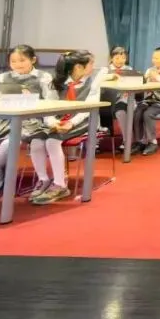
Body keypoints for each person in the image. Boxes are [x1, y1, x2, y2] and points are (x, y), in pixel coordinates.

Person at [0, 45, 54, 191]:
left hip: (29, 121)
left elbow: (52, 102)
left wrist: (33, 99)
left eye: (22, 60)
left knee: (10, 143)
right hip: (2, 119)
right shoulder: (2, 77)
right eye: (13, 61)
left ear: (33, 60)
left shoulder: (44, 77)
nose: (18, 64)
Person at [35, 50, 100, 205]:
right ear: (78, 67)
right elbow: (48, 107)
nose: (93, 66)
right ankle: (43, 179)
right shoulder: (56, 82)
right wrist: (51, 122)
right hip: (59, 119)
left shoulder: (93, 82)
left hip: (84, 120)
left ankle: (60, 185)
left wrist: (72, 123)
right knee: (36, 140)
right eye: (91, 63)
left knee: (52, 141)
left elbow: (88, 108)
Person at [133, 46, 160, 156]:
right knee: (137, 112)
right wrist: (145, 79)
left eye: (156, 58)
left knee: (148, 114)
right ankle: (140, 141)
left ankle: (152, 142)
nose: (153, 60)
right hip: (149, 99)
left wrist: (157, 77)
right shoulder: (150, 70)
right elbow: (144, 85)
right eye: (153, 58)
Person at [95, 46, 132, 146]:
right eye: (117, 58)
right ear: (111, 58)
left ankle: (127, 140)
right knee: (94, 112)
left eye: (123, 58)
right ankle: (95, 141)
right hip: (106, 100)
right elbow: (97, 81)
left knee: (121, 112)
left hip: (123, 99)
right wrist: (111, 76)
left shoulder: (129, 69)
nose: (120, 61)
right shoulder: (105, 70)